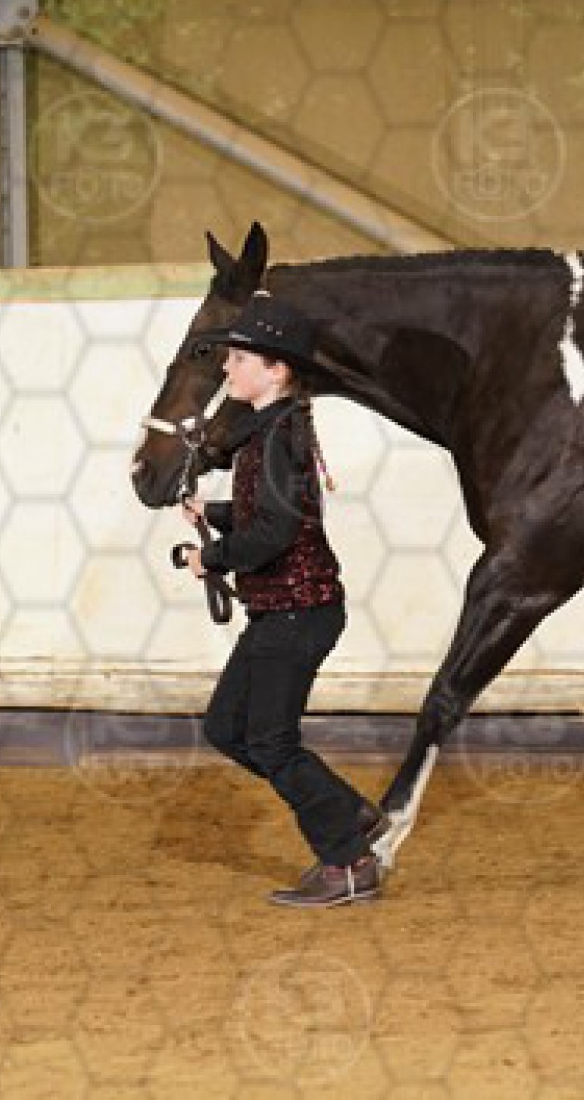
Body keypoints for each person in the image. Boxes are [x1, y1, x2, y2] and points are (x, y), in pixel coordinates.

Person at [180, 292, 387, 908]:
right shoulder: (272, 429)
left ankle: (348, 861)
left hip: (298, 611)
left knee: (270, 741)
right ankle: (348, 813)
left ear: (276, 370)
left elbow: (274, 532)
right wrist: (214, 512)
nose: (227, 368)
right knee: (227, 728)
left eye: (240, 359)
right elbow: (274, 510)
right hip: (286, 609)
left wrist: (212, 557)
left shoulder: (275, 435)